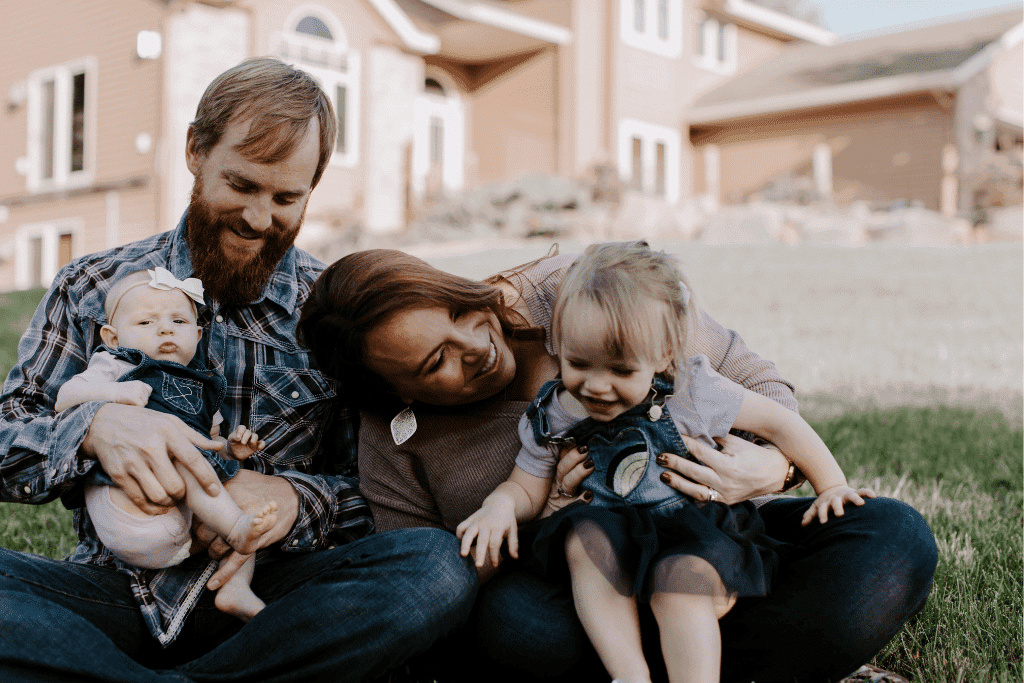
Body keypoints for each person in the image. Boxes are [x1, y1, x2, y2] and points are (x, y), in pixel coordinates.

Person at [0, 57, 474, 682]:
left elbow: (382, 492)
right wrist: (92, 431)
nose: (259, 219)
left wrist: (290, 498)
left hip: (269, 604)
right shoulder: (89, 286)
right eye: (243, 186)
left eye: (286, 198)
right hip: (107, 596)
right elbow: (8, 437)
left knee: (434, 567)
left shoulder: (333, 313)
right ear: (195, 151)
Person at [298, 245, 938, 683]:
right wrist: (540, 507)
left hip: (707, 529)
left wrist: (773, 469)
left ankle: (689, 649)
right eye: (435, 362)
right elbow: (433, 581)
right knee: (521, 630)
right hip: (583, 587)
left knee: (888, 540)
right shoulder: (393, 439)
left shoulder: (588, 294)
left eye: (462, 313)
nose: (477, 346)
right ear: (394, 392)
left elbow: (761, 391)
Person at [454, 241, 875, 683]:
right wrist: (500, 505)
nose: (596, 386)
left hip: (694, 532)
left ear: (663, 357)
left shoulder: (693, 391)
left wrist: (830, 485)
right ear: (559, 345)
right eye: (580, 364)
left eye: (620, 371)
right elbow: (526, 485)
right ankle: (630, 675)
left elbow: (782, 425)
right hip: (615, 537)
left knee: (677, 585)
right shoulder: (557, 409)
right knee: (583, 540)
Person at [54, 266, 276, 622]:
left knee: (241, 493)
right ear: (112, 338)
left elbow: (211, 443)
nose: (165, 329)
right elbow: (66, 396)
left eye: (179, 321)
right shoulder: (115, 365)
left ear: (199, 333)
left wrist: (233, 450)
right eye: (145, 323)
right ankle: (235, 528)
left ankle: (236, 587)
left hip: (191, 531)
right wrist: (113, 393)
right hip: (131, 510)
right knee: (185, 459)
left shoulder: (203, 386)